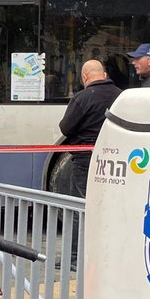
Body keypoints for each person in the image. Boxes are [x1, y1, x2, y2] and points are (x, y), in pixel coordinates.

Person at [58, 58, 121, 197]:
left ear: (84, 77)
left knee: (81, 204)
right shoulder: (120, 96)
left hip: (85, 158)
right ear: (104, 75)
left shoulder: (82, 98)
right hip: (114, 158)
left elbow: (66, 128)